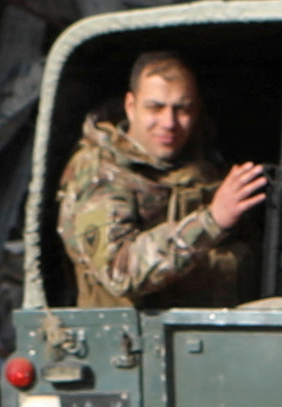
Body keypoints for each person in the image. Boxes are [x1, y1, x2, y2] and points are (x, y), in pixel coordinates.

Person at [57, 48, 269, 308]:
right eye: (155, 108)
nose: (169, 123)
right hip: (128, 339)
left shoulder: (204, 168)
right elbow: (120, 271)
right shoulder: (101, 173)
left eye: (183, 110)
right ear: (131, 107)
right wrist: (211, 221)